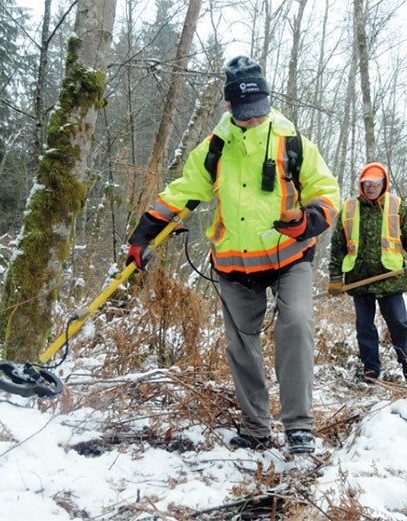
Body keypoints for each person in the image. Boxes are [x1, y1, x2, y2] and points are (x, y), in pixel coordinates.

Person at [126, 56, 340, 454]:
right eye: (246, 113)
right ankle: (256, 428)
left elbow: (326, 192)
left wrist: (307, 221)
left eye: (260, 111)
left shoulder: (292, 142)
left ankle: (298, 426)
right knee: (241, 345)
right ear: (229, 108)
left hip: (290, 257)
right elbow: (184, 191)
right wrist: (144, 233)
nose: (254, 119)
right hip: (235, 263)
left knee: (295, 323)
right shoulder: (215, 148)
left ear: (267, 101)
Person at [328, 162, 407, 386]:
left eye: (375, 184)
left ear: (383, 184)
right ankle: (371, 370)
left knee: (398, 324)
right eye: (366, 184)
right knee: (364, 328)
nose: (370, 188)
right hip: (359, 280)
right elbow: (338, 245)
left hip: (390, 278)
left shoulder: (397, 206)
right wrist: (335, 278)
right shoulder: (349, 208)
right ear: (361, 184)